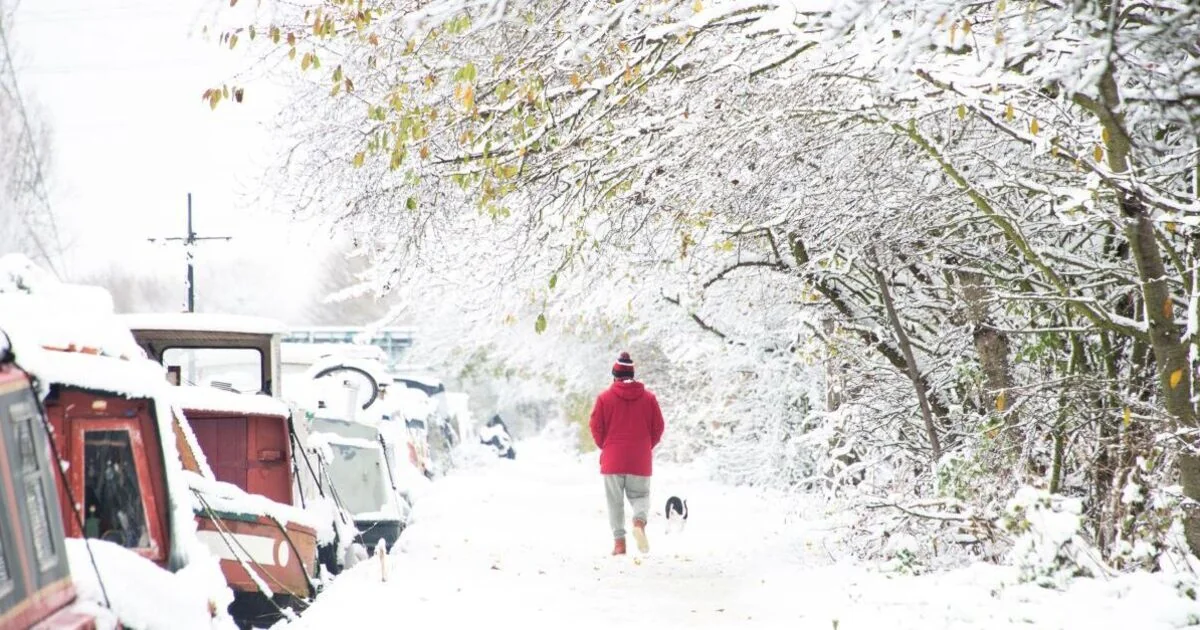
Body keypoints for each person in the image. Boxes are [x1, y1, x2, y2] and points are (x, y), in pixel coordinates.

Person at [589, 351, 665, 555]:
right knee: (640, 495)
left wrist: (606, 446)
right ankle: (639, 522)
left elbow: (595, 427)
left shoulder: (604, 398)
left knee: (614, 501)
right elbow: (658, 427)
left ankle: (619, 542)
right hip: (640, 459)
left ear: (615, 375)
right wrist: (645, 447)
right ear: (633, 374)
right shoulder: (649, 399)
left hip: (613, 459)